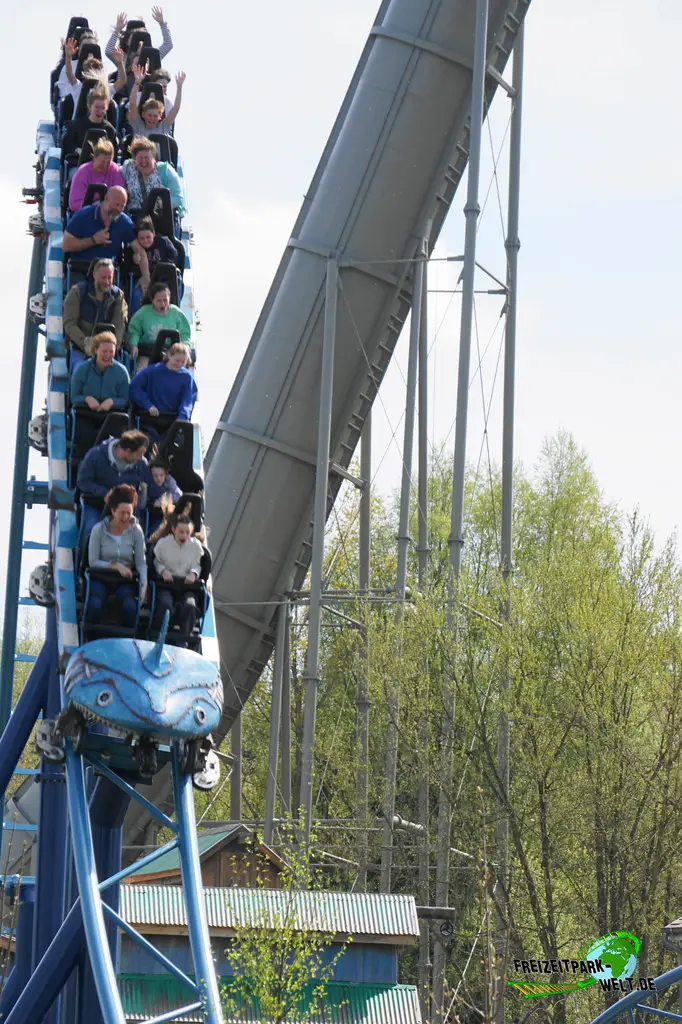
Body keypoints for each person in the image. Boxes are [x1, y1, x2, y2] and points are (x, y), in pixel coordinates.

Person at [86, 484, 147, 629]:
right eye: (122, 513)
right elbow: (92, 561)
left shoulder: (136, 531)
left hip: (124, 581)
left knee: (130, 607)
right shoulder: (98, 530)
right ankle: (90, 635)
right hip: (101, 577)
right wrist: (115, 566)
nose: (126, 517)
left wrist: (144, 583)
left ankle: (129, 636)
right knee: (94, 604)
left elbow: (140, 561)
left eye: (129, 513)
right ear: (113, 511)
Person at [77, 429, 152, 543]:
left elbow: (148, 486)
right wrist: (104, 493)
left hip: (126, 509)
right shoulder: (96, 455)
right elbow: (82, 481)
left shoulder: (141, 465)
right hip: (96, 504)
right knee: (90, 531)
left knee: (137, 535)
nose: (141, 458)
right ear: (127, 451)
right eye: (138, 454)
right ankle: (86, 559)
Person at [70, 332, 131, 455]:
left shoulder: (121, 371)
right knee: (85, 437)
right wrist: (87, 399)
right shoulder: (83, 369)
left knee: (111, 441)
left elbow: (125, 399)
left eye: (111, 352)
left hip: (111, 413)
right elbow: (74, 396)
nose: (108, 355)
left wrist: (112, 401)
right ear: (96, 350)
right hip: (85, 412)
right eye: (104, 351)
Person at [63, 258, 129, 368]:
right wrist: (86, 343)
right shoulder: (77, 292)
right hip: (81, 348)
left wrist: (112, 345)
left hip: (109, 349)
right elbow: (69, 324)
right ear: (94, 275)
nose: (107, 282)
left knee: (118, 371)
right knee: (80, 369)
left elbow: (119, 324)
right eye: (103, 278)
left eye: (109, 278)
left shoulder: (118, 296)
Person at [150, 504, 204, 641]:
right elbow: (157, 562)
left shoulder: (195, 546)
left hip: (187, 586)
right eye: (181, 532)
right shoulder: (163, 544)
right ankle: (157, 636)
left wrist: (194, 574)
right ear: (174, 530)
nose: (184, 536)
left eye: (187, 532)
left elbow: (198, 565)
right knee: (165, 605)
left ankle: (183, 639)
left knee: (190, 606)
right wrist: (163, 571)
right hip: (168, 584)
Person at [63, 187, 148, 269]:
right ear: (106, 199)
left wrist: (146, 276)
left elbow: (139, 250)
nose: (119, 209)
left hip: (107, 272)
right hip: (80, 268)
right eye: (117, 204)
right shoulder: (83, 215)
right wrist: (93, 240)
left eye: (122, 206)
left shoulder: (124, 222)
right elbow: (66, 245)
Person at [130, 342, 197, 437]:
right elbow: (135, 387)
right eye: (177, 360)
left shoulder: (186, 377)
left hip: (172, 421)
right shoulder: (152, 371)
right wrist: (148, 405)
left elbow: (187, 400)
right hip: (150, 419)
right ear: (169, 355)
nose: (179, 364)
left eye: (183, 362)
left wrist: (182, 418)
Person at [127, 283, 191, 369]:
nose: (163, 304)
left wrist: (185, 347)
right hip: (147, 352)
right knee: (142, 371)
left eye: (165, 300)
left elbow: (185, 334)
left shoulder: (176, 313)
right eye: (159, 301)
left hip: (171, 353)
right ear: (152, 300)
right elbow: (134, 330)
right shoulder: (143, 313)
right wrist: (133, 345)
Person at [121, 137, 184, 221]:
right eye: (140, 158)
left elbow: (178, 199)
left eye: (147, 158)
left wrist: (155, 204)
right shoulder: (128, 168)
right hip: (133, 216)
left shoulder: (165, 171)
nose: (143, 161)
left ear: (154, 159)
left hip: (159, 217)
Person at [128, 216, 181, 313]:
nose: (145, 241)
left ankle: (173, 314)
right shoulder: (135, 248)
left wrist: (161, 267)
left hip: (163, 279)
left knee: (176, 283)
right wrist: (134, 261)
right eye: (142, 238)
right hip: (143, 281)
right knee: (136, 295)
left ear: (154, 234)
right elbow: (128, 267)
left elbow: (174, 257)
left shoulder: (163, 242)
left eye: (148, 237)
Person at [62, 36, 126, 110]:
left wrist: (120, 64)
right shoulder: (79, 87)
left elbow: (122, 81)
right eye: (90, 70)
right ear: (85, 72)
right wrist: (68, 56)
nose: (93, 73)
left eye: (95, 70)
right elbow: (69, 73)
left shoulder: (107, 88)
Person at [68, 138, 126, 212]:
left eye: (108, 162)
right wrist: (95, 206)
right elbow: (74, 204)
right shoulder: (83, 172)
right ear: (94, 158)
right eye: (102, 162)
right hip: (86, 213)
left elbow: (121, 195)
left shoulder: (114, 170)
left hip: (111, 212)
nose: (105, 165)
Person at [128, 64, 185, 137]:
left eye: (155, 116)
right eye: (149, 115)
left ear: (160, 116)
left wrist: (179, 87)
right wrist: (137, 83)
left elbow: (176, 108)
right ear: (143, 114)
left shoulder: (163, 127)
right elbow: (132, 103)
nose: (152, 119)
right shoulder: (138, 125)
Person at [61, 88, 117, 160]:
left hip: (103, 167)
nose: (100, 111)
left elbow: (113, 154)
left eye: (103, 108)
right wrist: (78, 151)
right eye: (97, 107)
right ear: (89, 107)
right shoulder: (75, 126)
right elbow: (68, 146)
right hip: (78, 165)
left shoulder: (110, 130)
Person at [105, 8, 173, 69]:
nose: (138, 40)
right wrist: (117, 30)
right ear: (127, 40)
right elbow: (109, 51)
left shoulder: (152, 56)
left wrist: (162, 23)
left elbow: (168, 45)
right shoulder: (123, 57)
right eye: (134, 37)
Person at [141, 457, 182, 533]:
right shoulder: (148, 480)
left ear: (166, 474)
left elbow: (179, 495)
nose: (158, 478)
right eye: (155, 476)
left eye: (161, 475)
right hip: (151, 507)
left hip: (164, 510)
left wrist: (164, 499)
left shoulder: (169, 481)